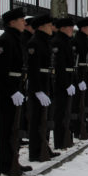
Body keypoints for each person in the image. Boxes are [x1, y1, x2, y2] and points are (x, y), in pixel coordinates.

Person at [0, 7, 32, 176]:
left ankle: (13, 160)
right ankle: (6, 164)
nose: (24, 22)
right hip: (10, 91)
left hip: (18, 88)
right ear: (11, 22)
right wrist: (11, 91)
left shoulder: (17, 39)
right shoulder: (5, 40)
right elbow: (1, 71)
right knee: (7, 128)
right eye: (21, 19)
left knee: (14, 128)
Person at [27, 13, 58, 161]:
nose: (52, 27)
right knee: (37, 120)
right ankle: (36, 151)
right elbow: (33, 69)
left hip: (47, 82)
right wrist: (37, 90)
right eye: (49, 24)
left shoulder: (45, 41)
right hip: (39, 85)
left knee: (44, 118)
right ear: (41, 27)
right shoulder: (35, 43)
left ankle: (44, 147)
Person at [51, 18, 76, 150]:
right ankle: (60, 141)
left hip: (68, 80)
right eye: (69, 27)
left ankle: (66, 138)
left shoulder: (66, 41)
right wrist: (66, 84)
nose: (72, 29)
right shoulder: (58, 42)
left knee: (66, 111)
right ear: (62, 28)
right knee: (60, 112)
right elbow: (59, 67)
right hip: (61, 83)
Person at [72, 17, 88, 139]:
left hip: (86, 74)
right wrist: (79, 80)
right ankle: (77, 128)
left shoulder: (86, 39)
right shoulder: (78, 41)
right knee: (78, 103)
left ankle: (84, 126)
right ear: (84, 28)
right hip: (80, 74)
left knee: (85, 102)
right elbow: (77, 63)